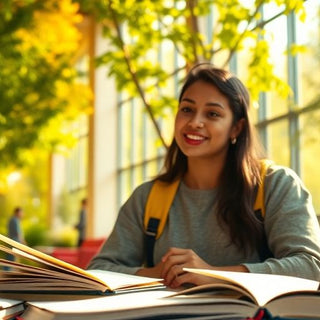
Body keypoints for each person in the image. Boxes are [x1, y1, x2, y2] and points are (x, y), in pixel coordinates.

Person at [88, 64, 320, 288]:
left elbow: (310, 267)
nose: (195, 122)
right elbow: (98, 270)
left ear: (236, 128)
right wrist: (156, 273)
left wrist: (213, 275)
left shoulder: (275, 184)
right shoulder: (147, 198)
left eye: (212, 114)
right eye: (187, 109)